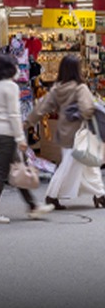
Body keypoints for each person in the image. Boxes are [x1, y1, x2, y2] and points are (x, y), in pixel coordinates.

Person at [0, 54, 54, 223]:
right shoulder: (11, 87)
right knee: (2, 173)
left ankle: (33, 206)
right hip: (7, 135)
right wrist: (20, 138)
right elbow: (14, 115)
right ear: (10, 69)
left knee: (18, 169)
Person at [25, 54, 105, 210]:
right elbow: (87, 108)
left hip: (64, 133)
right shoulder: (80, 88)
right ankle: (52, 196)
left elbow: (42, 108)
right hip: (80, 133)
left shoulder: (56, 89)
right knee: (71, 165)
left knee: (89, 164)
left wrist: (27, 123)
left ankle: (100, 195)